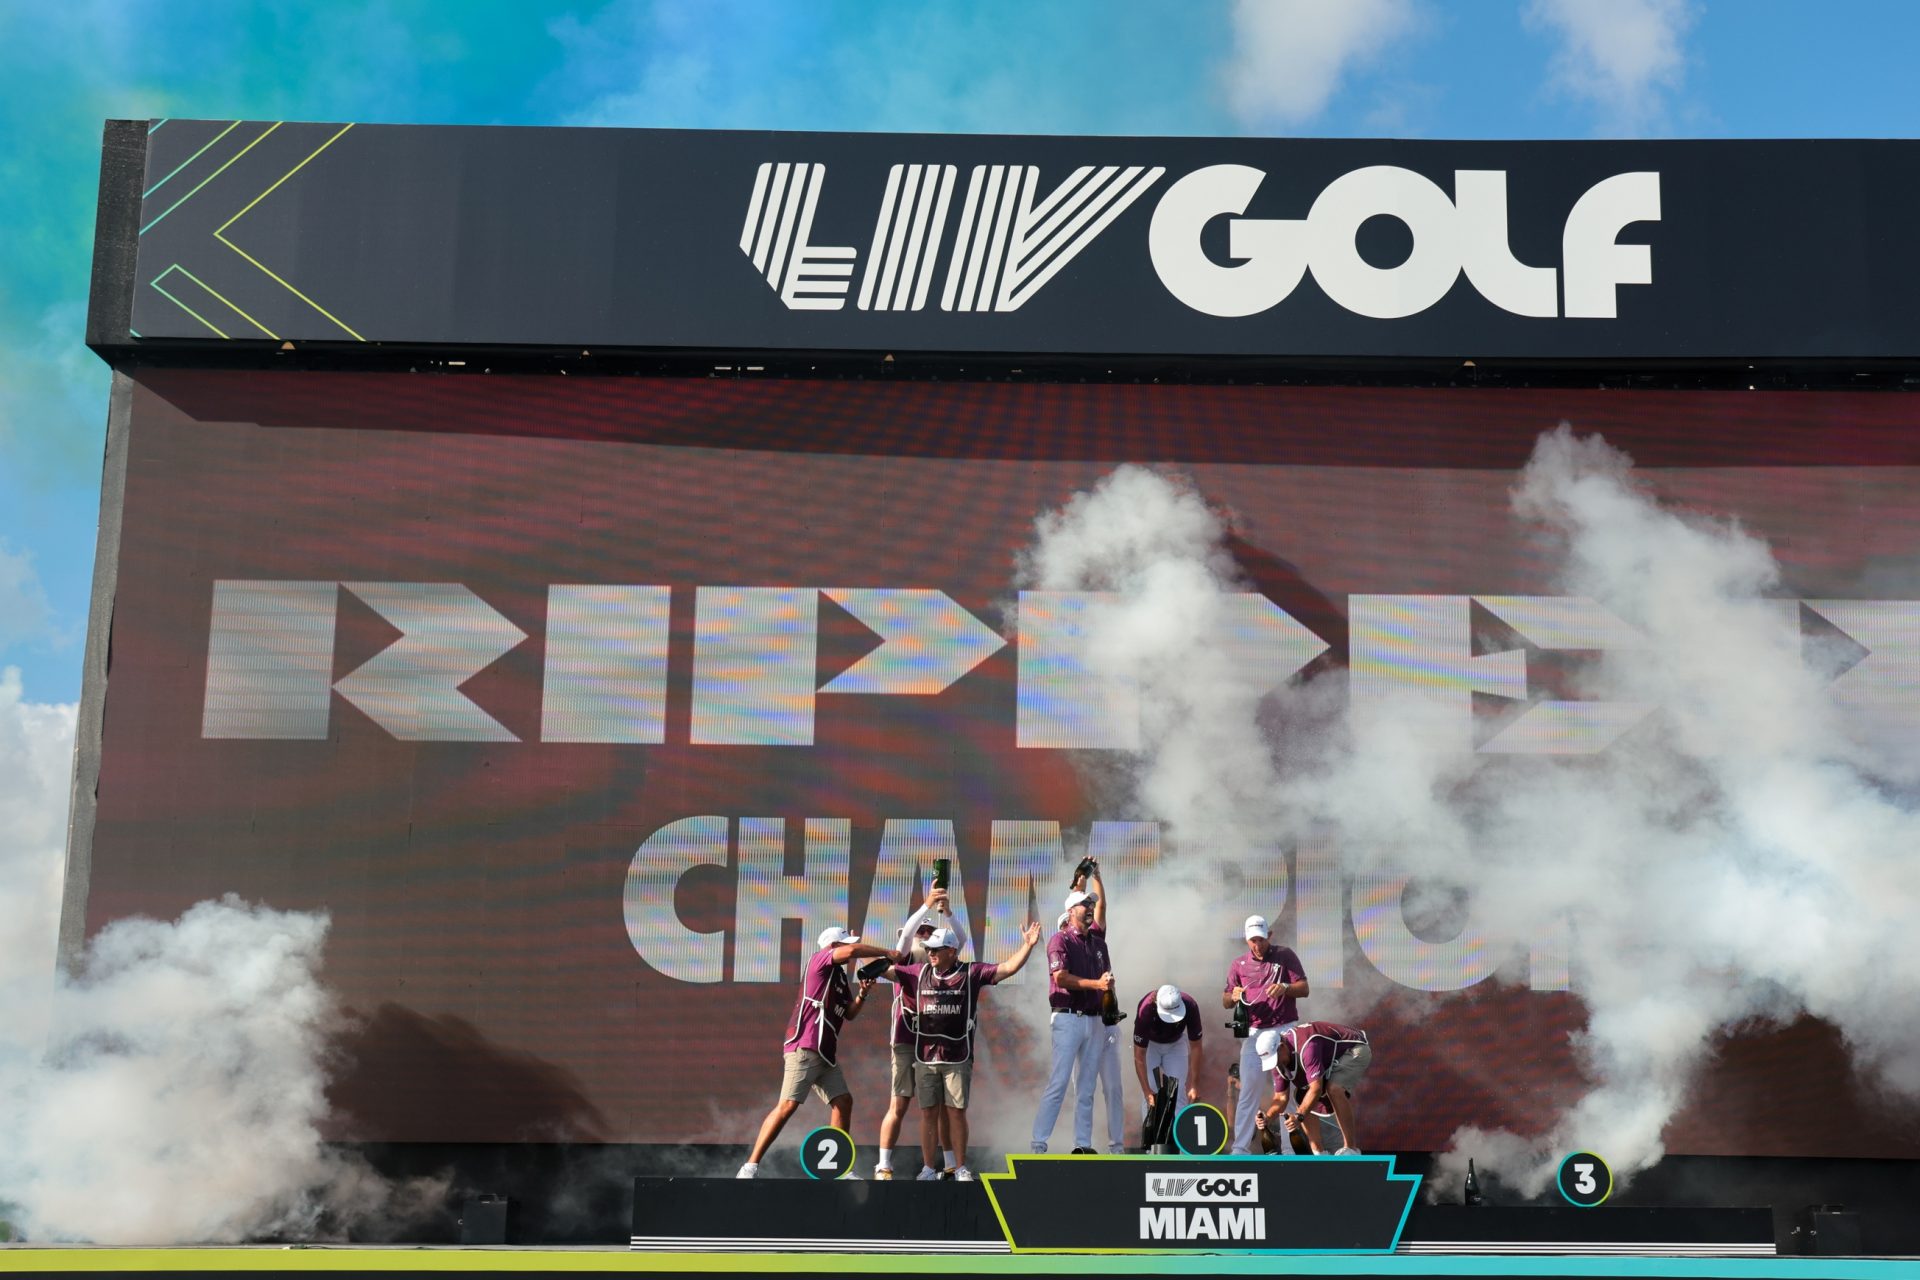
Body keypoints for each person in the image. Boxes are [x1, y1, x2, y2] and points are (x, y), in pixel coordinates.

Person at [737, 926, 905, 1178]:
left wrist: (862, 994)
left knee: (843, 1102)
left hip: (825, 1053)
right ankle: (750, 1166)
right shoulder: (820, 960)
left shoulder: (837, 977)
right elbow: (853, 950)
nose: (847, 952)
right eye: (843, 945)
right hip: (805, 1046)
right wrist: (887, 953)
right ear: (833, 946)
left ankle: (838, 1168)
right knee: (787, 1105)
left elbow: (849, 1013)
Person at [891, 921, 1043, 1181]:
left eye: (937, 949)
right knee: (928, 1113)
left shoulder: (971, 973)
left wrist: (1027, 946)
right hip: (925, 1056)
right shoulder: (919, 972)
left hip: (957, 1056)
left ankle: (960, 1167)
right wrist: (867, 961)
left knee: (956, 1112)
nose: (931, 953)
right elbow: (890, 971)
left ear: (952, 950)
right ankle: (928, 1168)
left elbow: (1007, 968)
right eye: (929, 949)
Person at [874, 888, 966, 1180]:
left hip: (932, 1043)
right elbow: (904, 939)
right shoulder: (904, 964)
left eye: (930, 934)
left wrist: (948, 913)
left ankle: (950, 1163)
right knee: (899, 1102)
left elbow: (960, 941)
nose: (925, 938)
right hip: (904, 1038)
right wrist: (925, 908)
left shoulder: (939, 967)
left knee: (939, 1107)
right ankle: (884, 1165)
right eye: (920, 934)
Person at [1030, 863, 1113, 1154]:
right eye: (1083, 904)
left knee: (1087, 1088)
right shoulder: (1060, 939)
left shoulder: (1097, 943)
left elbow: (1103, 910)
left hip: (1094, 1020)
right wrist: (1097, 985)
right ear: (1070, 912)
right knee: (1060, 1082)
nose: (1089, 907)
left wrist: (1098, 878)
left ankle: (1082, 1144)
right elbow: (1061, 978)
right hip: (1067, 1019)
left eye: (1090, 904)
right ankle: (1038, 1144)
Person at [1222, 914, 1308, 1154]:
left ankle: (1291, 1148)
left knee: (1287, 1089)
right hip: (1254, 1032)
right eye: (1252, 940)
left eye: (1261, 939)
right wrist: (1234, 996)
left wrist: (1286, 987)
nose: (1257, 945)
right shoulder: (1238, 964)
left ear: (1269, 936)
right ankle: (1240, 1147)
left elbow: (1304, 988)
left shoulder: (1285, 955)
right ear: (1246, 940)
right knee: (1249, 1088)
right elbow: (1226, 1000)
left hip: (1284, 1030)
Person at [1257, 1021, 1371, 1155]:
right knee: (1301, 1096)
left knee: (1334, 1089)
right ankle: (1319, 1152)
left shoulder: (1308, 1047)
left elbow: (1316, 1089)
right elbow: (1281, 1098)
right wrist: (1267, 1117)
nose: (1276, 1064)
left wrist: (1299, 1116)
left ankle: (1351, 1149)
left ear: (1281, 1046)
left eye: (1275, 1059)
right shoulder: (1278, 1061)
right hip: (1329, 1058)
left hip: (1354, 1049)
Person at [1133, 984, 1205, 1122]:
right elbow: (1139, 1055)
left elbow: (1196, 1046)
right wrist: (1146, 1090)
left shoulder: (1190, 1005)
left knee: (1177, 1092)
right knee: (1150, 1093)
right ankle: (1149, 1141)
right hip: (1151, 1045)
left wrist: (1195, 1084)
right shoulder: (1146, 1009)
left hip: (1176, 1044)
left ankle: (1179, 1138)